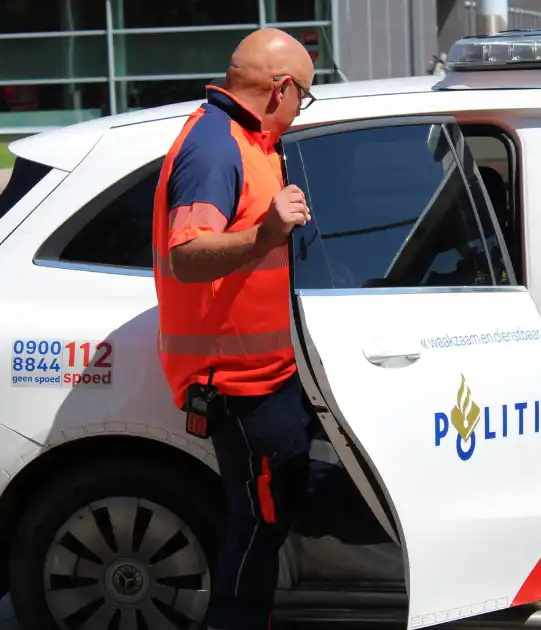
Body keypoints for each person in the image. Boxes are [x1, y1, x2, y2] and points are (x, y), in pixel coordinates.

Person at [150, 28, 319, 630]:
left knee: (267, 518)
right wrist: (266, 234)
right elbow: (186, 255)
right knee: (256, 526)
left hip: (267, 373)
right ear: (279, 89)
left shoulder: (252, 140)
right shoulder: (216, 148)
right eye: (304, 94)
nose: (303, 108)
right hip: (238, 385)